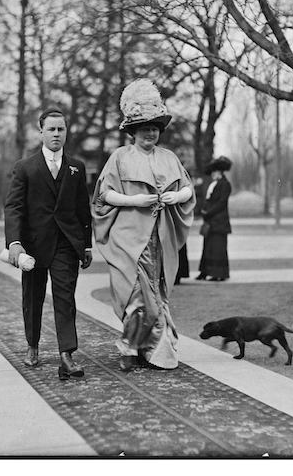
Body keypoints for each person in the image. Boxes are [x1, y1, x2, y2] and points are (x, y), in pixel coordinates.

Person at [93, 79, 195, 372]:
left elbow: (188, 190)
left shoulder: (169, 158)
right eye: (144, 128)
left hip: (159, 240)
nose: (150, 133)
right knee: (136, 295)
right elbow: (104, 194)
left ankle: (152, 350)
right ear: (133, 131)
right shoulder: (120, 157)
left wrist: (177, 195)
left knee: (156, 293)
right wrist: (134, 200)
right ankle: (129, 347)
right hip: (128, 239)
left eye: (154, 128)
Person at [4, 108, 93, 380]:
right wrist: (15, 244)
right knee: (33, 297)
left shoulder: (76, 167)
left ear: (67, 132)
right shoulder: (25, 167)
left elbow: (82, 209)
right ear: (41, 132)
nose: (56, 134)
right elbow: (14, 207)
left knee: (65, 299)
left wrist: (86, 245)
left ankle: (67, 354)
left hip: (66, 244)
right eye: (51, 129)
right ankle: (32, 345)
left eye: (61, 129)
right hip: (33, 246)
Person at [196, 156, 232, 282]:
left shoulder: (225, 185)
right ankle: (205, 272)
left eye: (214, 172)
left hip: (220, 221)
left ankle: (219, 274)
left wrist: (208, 212)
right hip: (211, 220)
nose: (212, 174)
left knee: (218, 248)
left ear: (219, 172)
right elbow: (209, 201)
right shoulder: (214, 184)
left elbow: (221, 203)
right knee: (208, 247)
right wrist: (204, 210)